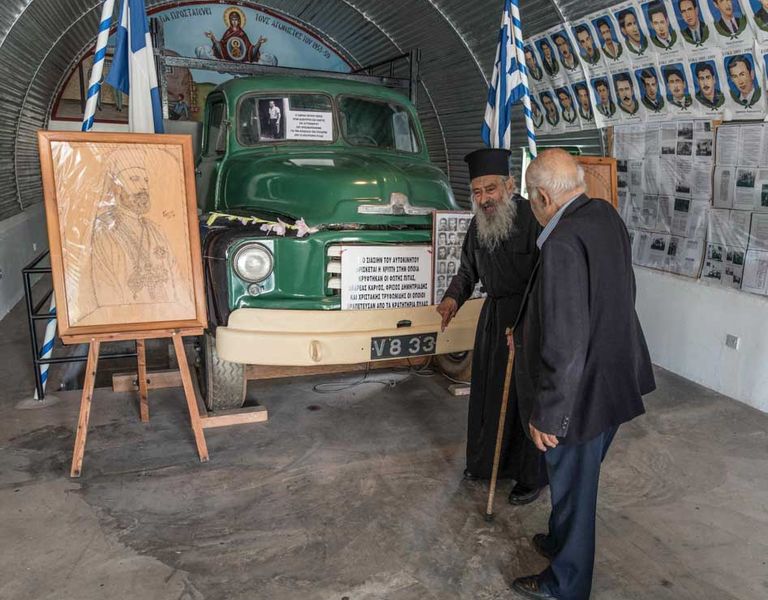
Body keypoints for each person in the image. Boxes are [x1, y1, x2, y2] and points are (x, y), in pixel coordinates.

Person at [508, 149, 655, 600]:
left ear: (543, 197)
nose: (533, 208)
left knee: (575, 487)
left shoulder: (562, 242)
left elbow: (566, 340)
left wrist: (549, 414)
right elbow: (623, 290)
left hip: (579, 394)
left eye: (532, 199)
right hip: (617, 377)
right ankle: (557, 541)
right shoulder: (605, 215)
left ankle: (566, 585)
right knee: (574, 483)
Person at [436, 148, 546, 505]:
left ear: (510, 186)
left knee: (524, 401)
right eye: (478, 192)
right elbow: (468, 269)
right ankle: (487, 463)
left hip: (527, 322)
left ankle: (530, 477)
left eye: (490, 189)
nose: (484, 198)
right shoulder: (478, 224)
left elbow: (548, 276)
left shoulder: (533, 218)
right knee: (489, 396)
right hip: (493, 319)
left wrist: (528, 325)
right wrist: (453, 297)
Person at [91, 165, 177, 308]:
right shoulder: (103, 230)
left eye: (146, 181)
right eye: (135, 179)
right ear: (117, 188)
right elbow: (105, 288)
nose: (143, 187)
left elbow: (176, 276)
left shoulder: (155, 230)